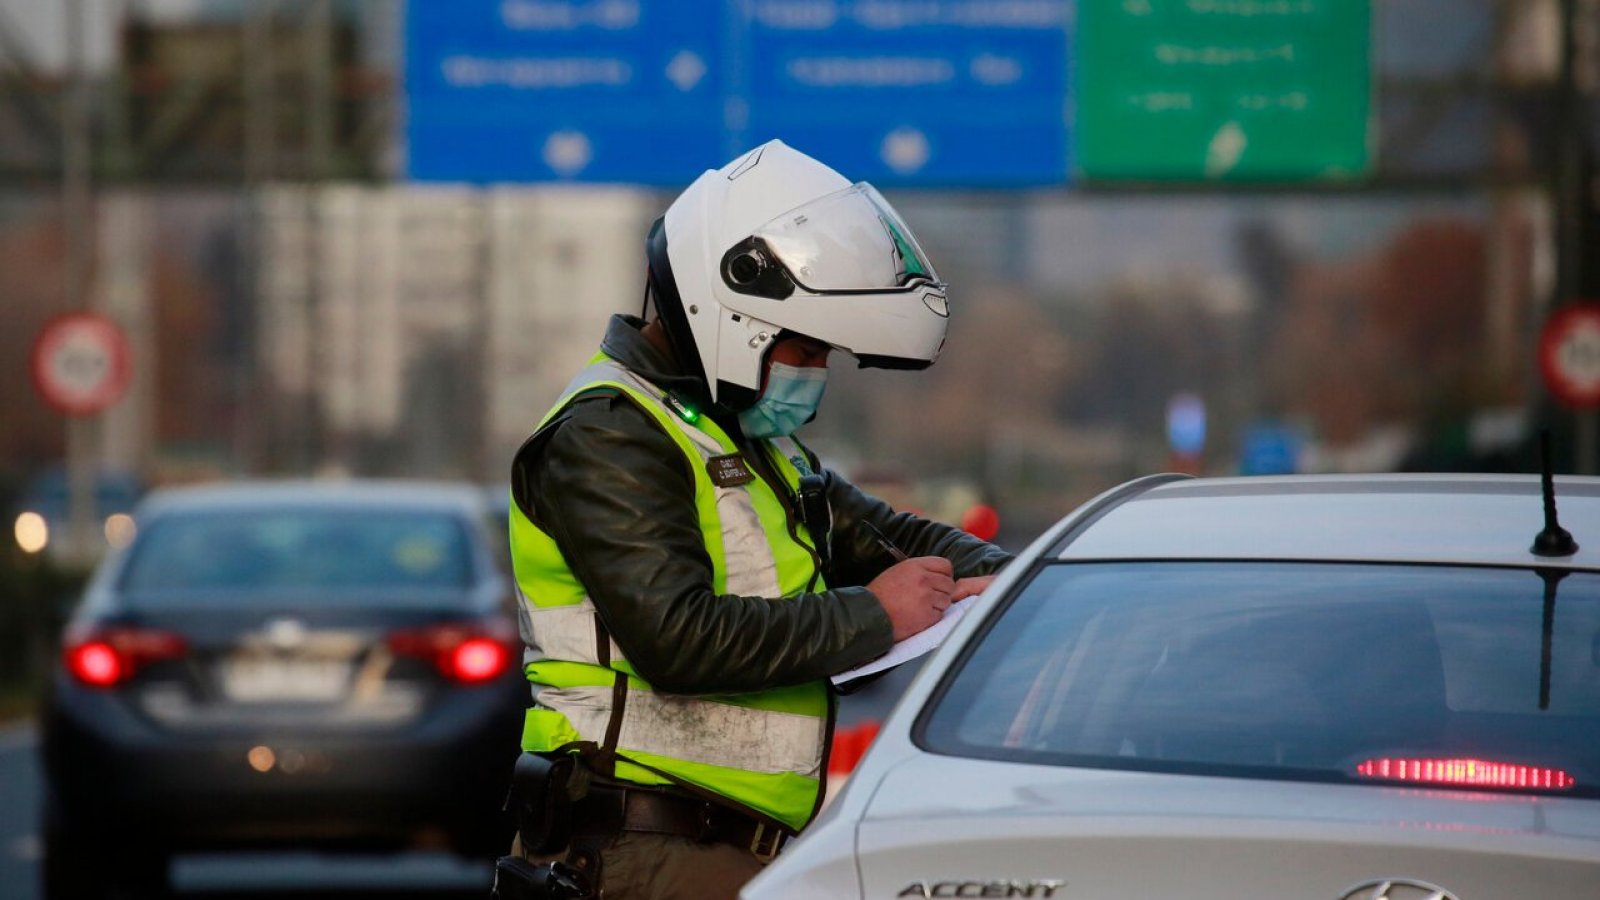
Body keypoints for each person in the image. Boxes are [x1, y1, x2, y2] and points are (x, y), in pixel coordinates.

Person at [501, 140, 1011, 900]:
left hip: (727, 848)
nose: (815, 371)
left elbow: (886, 537)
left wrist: (1027, 585)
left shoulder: (737, 433)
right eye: (806, 346)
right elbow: (677, 637)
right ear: (733, 314)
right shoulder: (608, 435)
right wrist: (876, 615)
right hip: (643, 847)